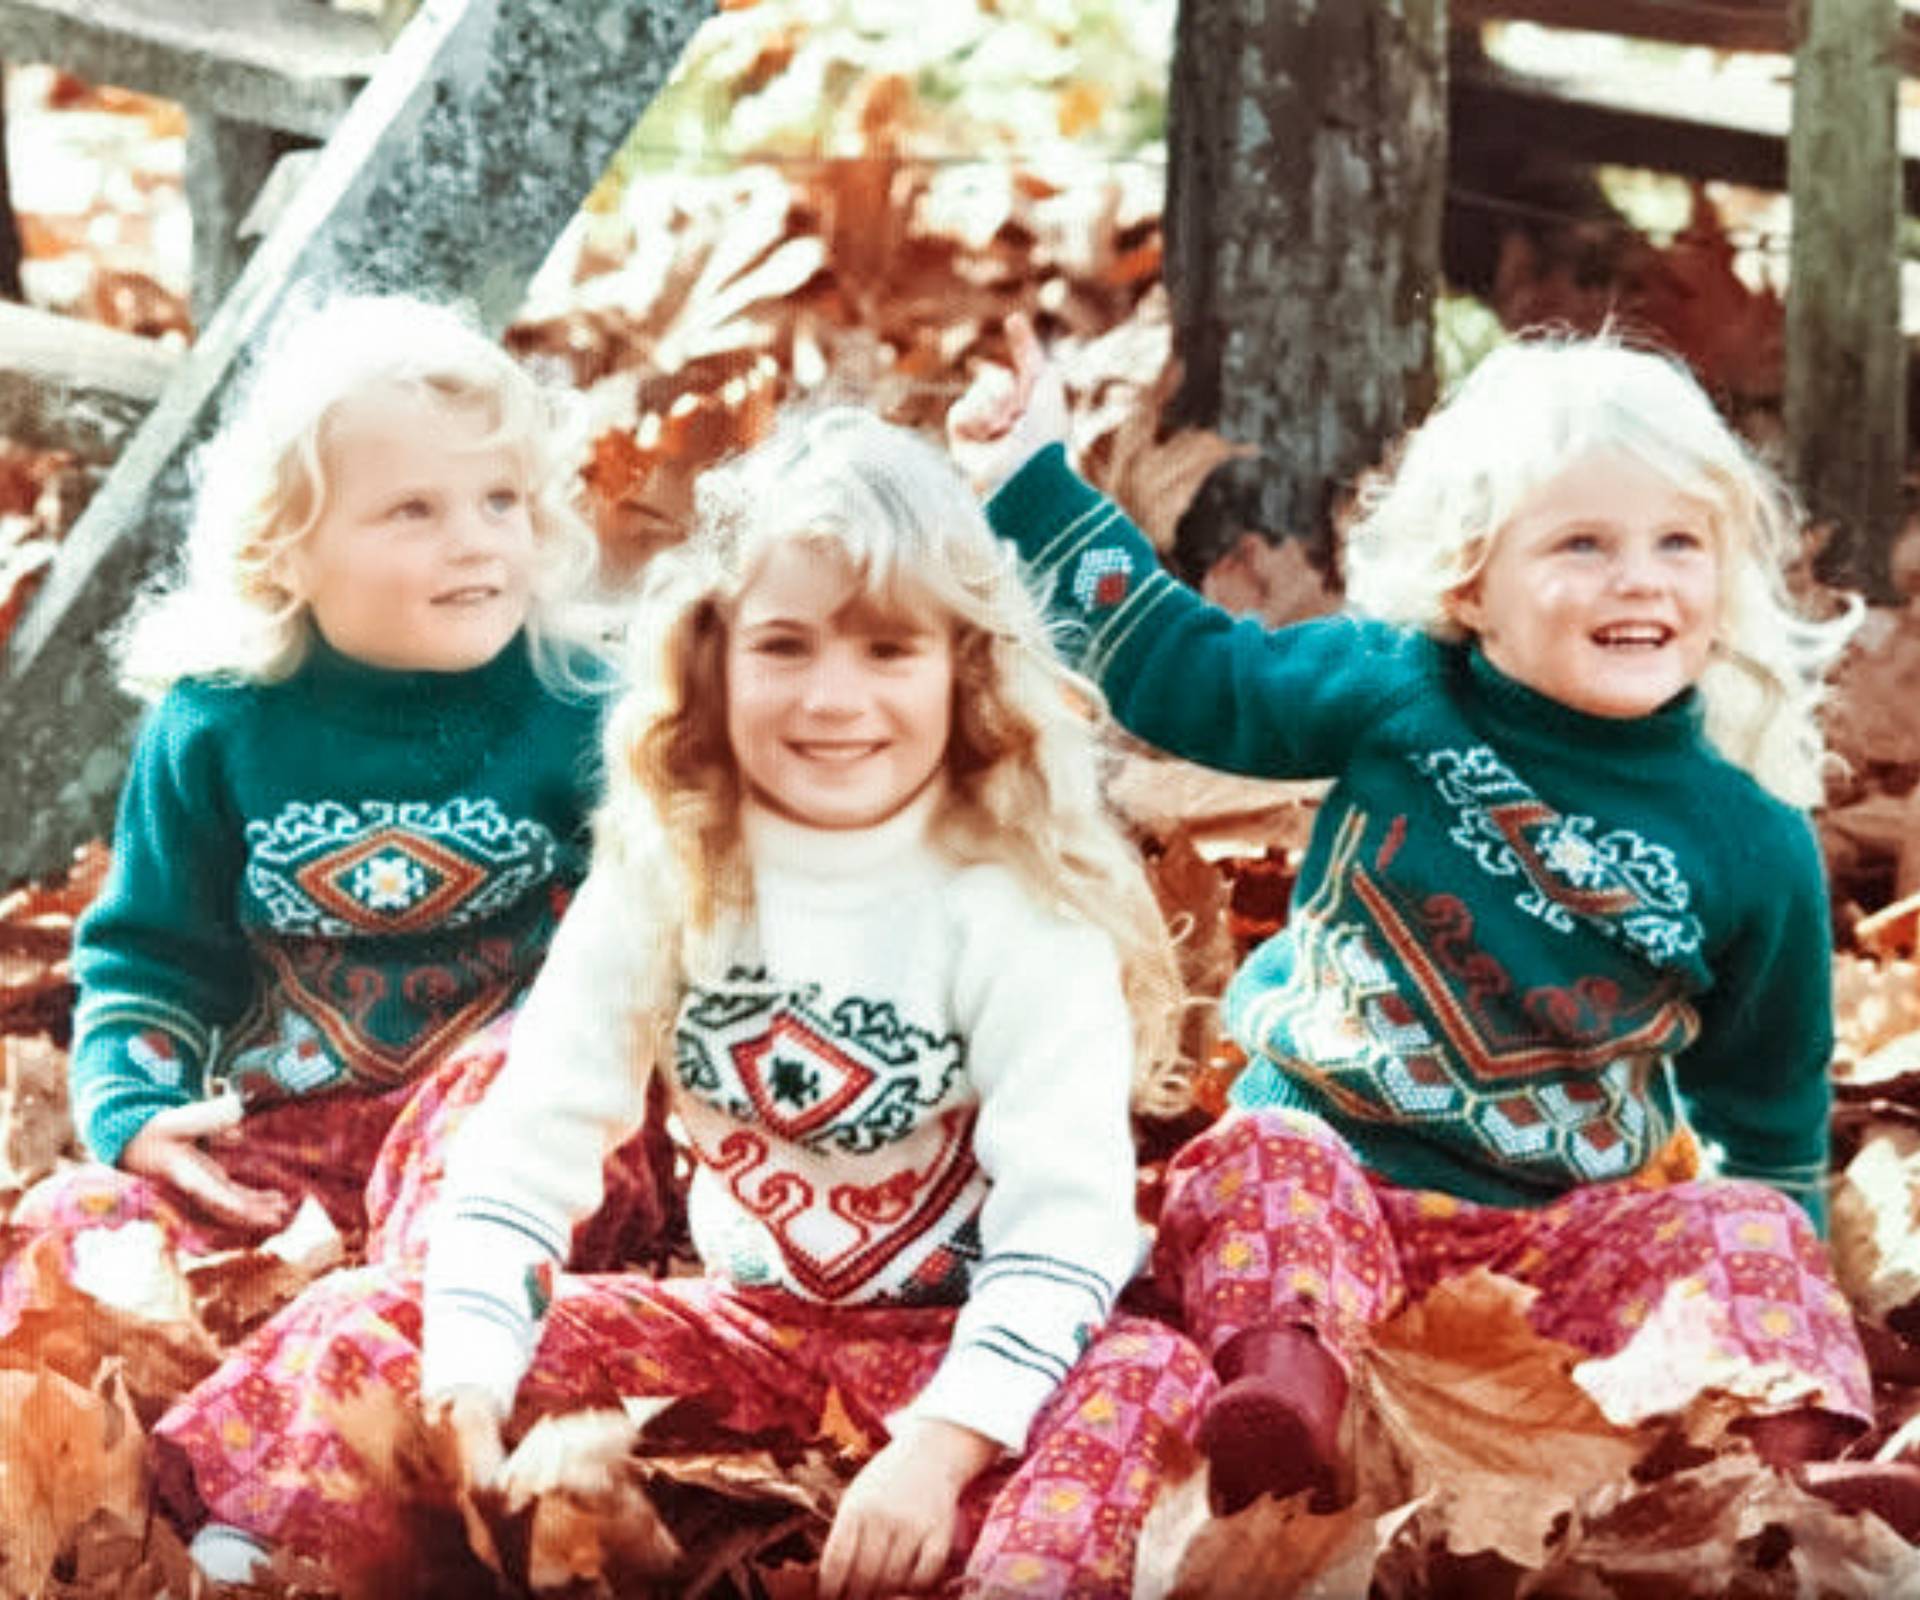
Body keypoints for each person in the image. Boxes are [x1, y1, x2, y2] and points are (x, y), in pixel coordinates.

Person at [150, 408, 1214, 1597]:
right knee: (379, 1319)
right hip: (744, 1332)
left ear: (963, 670)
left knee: (1154, 1382)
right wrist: (468, 1384)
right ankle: (254, 1561)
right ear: (711, 657)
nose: (832, 697)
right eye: (785, 646)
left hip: (964, 1357)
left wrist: (940, 1445)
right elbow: (530, 1144)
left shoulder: (1014, 905)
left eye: (887, 651)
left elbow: (1063, 1227)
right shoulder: (675, 870)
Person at [952, 319, 1886, 1519]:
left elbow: (1768, 1118)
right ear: (1469, 580)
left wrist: (1780, 1280)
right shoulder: (1398, 691)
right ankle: (1286, 1403)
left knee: (1743, 1221)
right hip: (1332, 1176)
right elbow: (1194, 672)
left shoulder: (1752, 844)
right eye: (1583, 544)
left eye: (1678, 543)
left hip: (1548, 1260)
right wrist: (1032, 485)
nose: (1641, 576)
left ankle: (1796, 1480)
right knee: (1256, 1163)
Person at [4, 298, 676, 1572]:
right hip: (293, 1148)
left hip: (516, 1155)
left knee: (494, 1089)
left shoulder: (584, 714)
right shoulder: (218, 725)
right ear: (288, 547)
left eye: (500, 501)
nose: (474, 543)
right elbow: (150, 951)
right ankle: (110, 1459)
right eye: (411, 510)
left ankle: (280, 1496)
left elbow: (656, 959)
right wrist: (140, 1106)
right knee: (72, 1223)